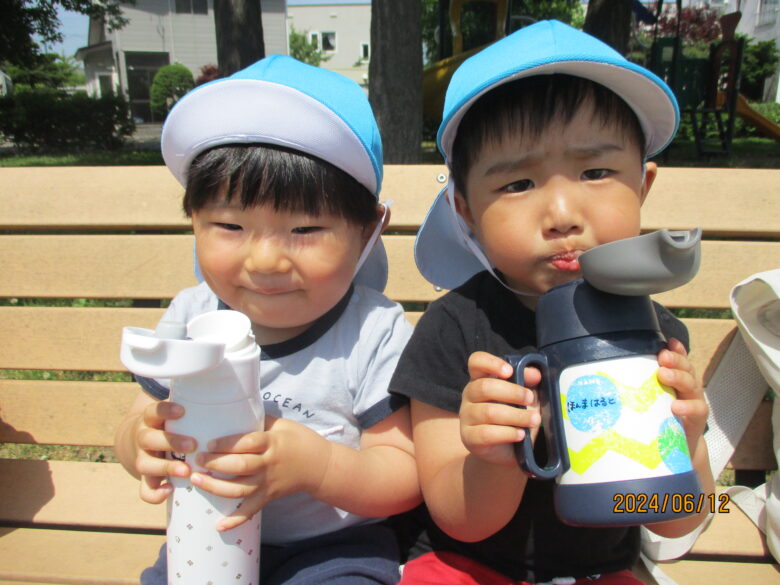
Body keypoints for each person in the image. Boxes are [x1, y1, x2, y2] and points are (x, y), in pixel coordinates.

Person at [390, 20, 714, 585]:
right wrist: (493, 459)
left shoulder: (654, 328)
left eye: (595, 172)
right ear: (465, 211)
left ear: (643, 185)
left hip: (601, 571)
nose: (562, 213)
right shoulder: (457, 329)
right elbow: (459, 521)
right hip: (469, 565)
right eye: (518, 184)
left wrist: (685, 443)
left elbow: (679, 520)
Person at [114, 55, 420, 585]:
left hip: (332, 549)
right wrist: (138, 443)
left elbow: (404, 474)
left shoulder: (373, 332)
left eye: (304, 230)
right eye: (230, 225)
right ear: (194, 221)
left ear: (368, 230)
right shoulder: (191, 316)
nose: (265, 261)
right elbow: (140, 418)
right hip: (202, 536)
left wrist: (318, 467)